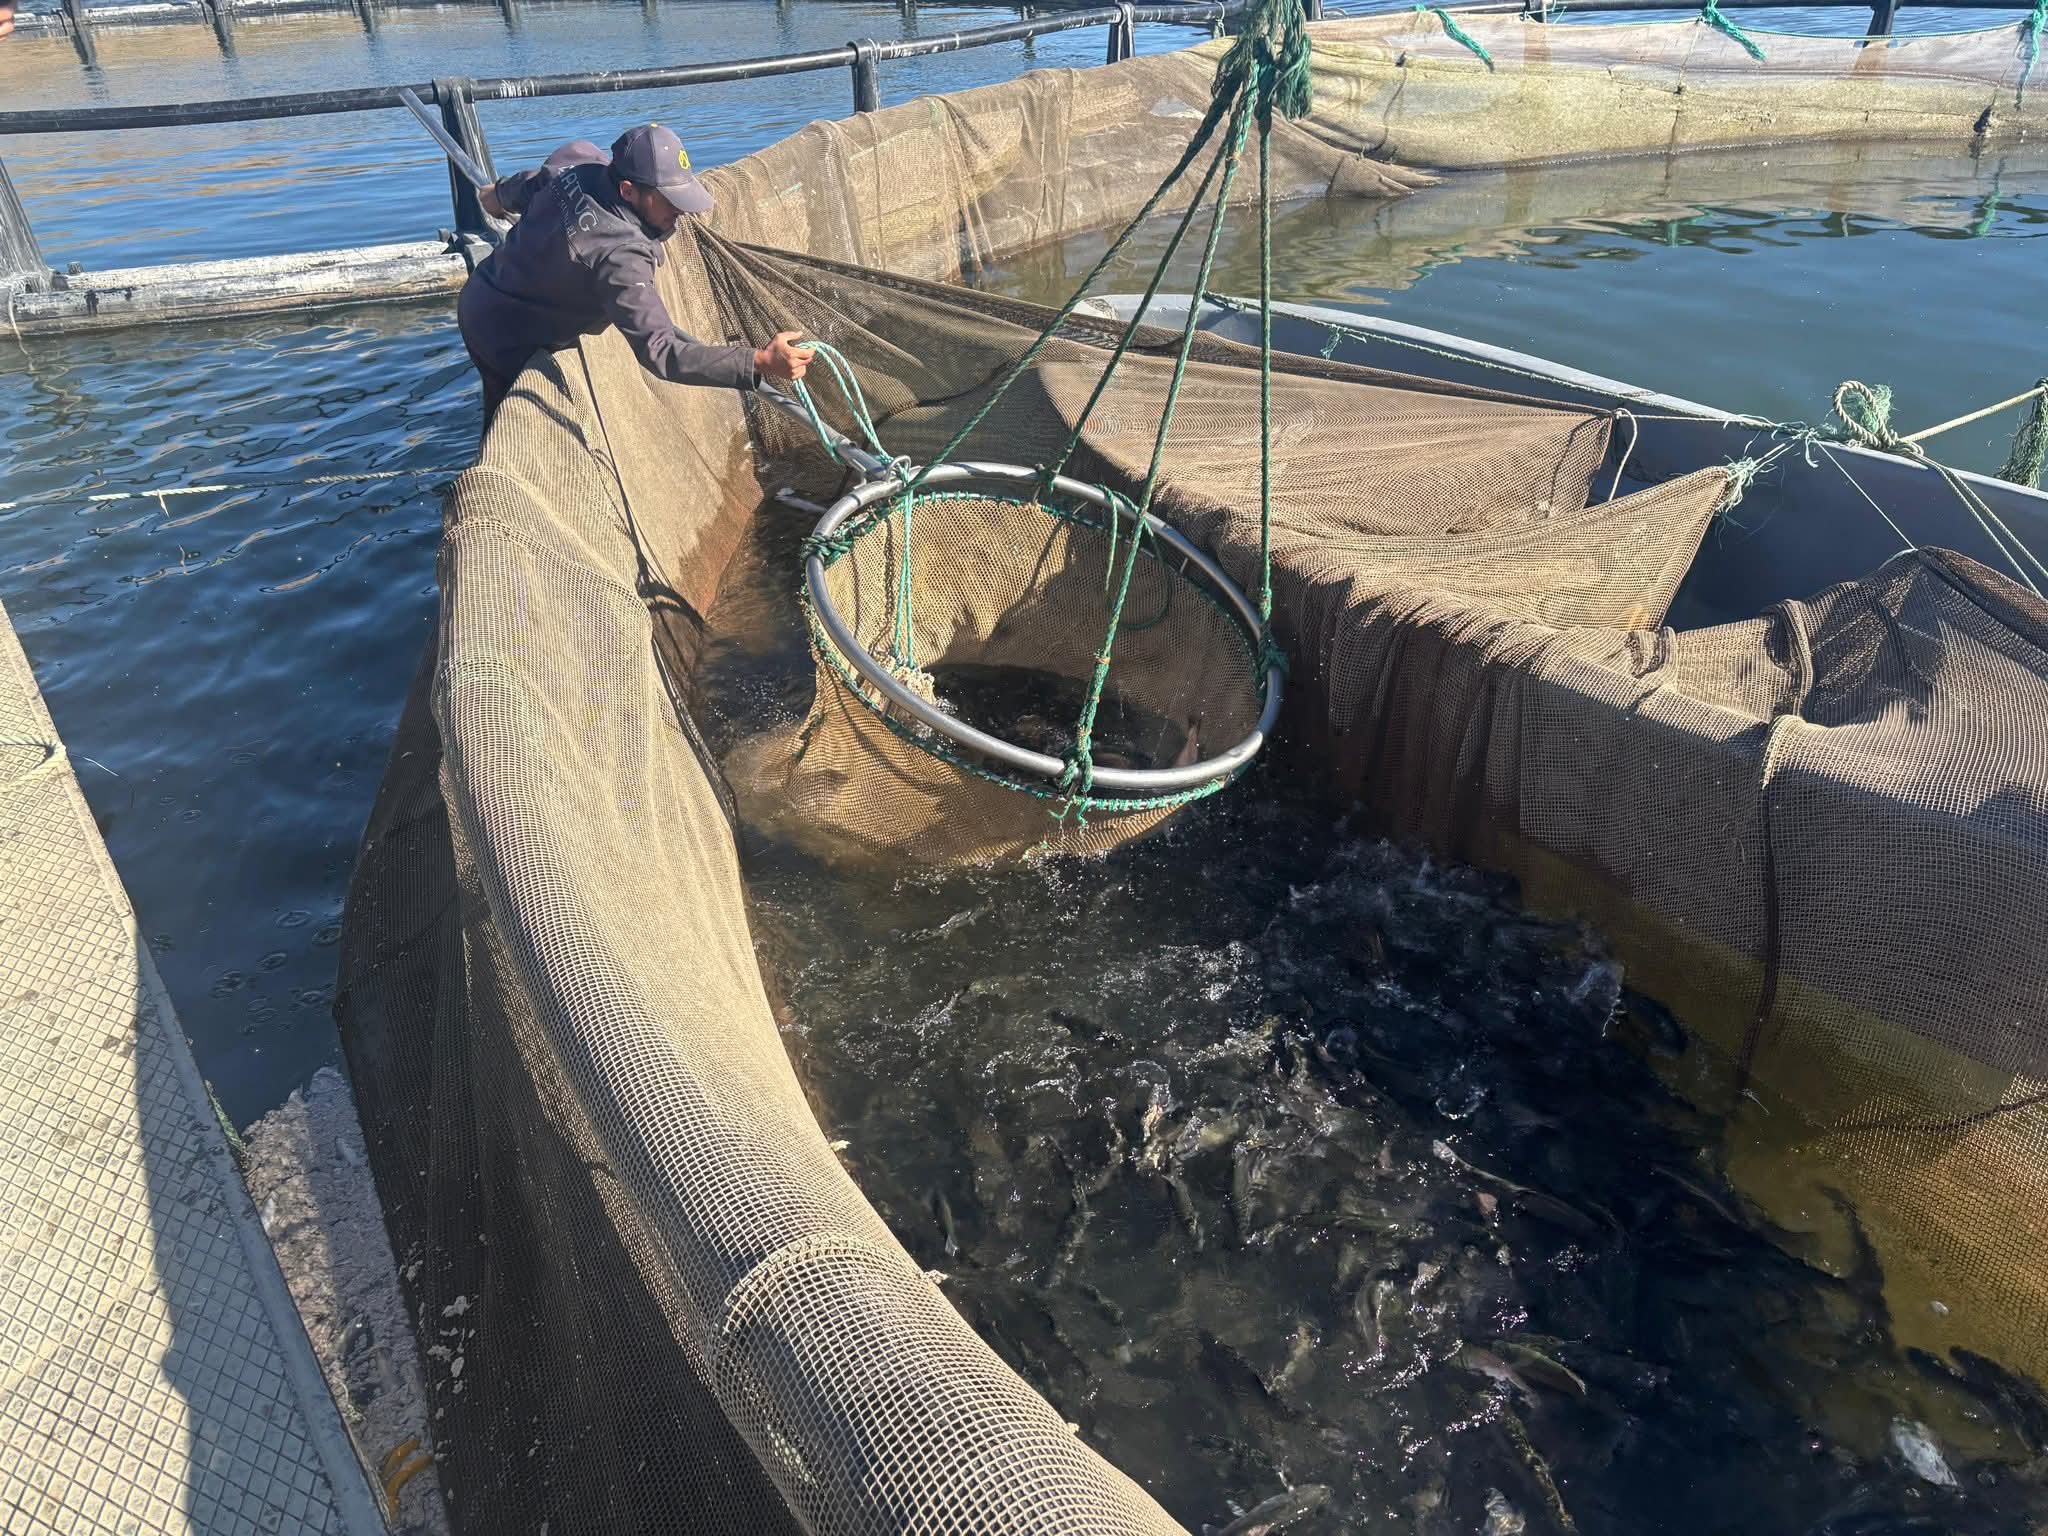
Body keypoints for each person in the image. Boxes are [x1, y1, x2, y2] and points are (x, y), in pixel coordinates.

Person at [458, 122, 811, 426]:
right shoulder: (620, 255)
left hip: (483, 289)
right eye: (669, 199)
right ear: (628, 190)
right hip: (502, 335)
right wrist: (760, 361)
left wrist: (498, 194)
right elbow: (661, 351)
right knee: (509, 422)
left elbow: (533, 183)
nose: (681, 210)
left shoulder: (579, 161)